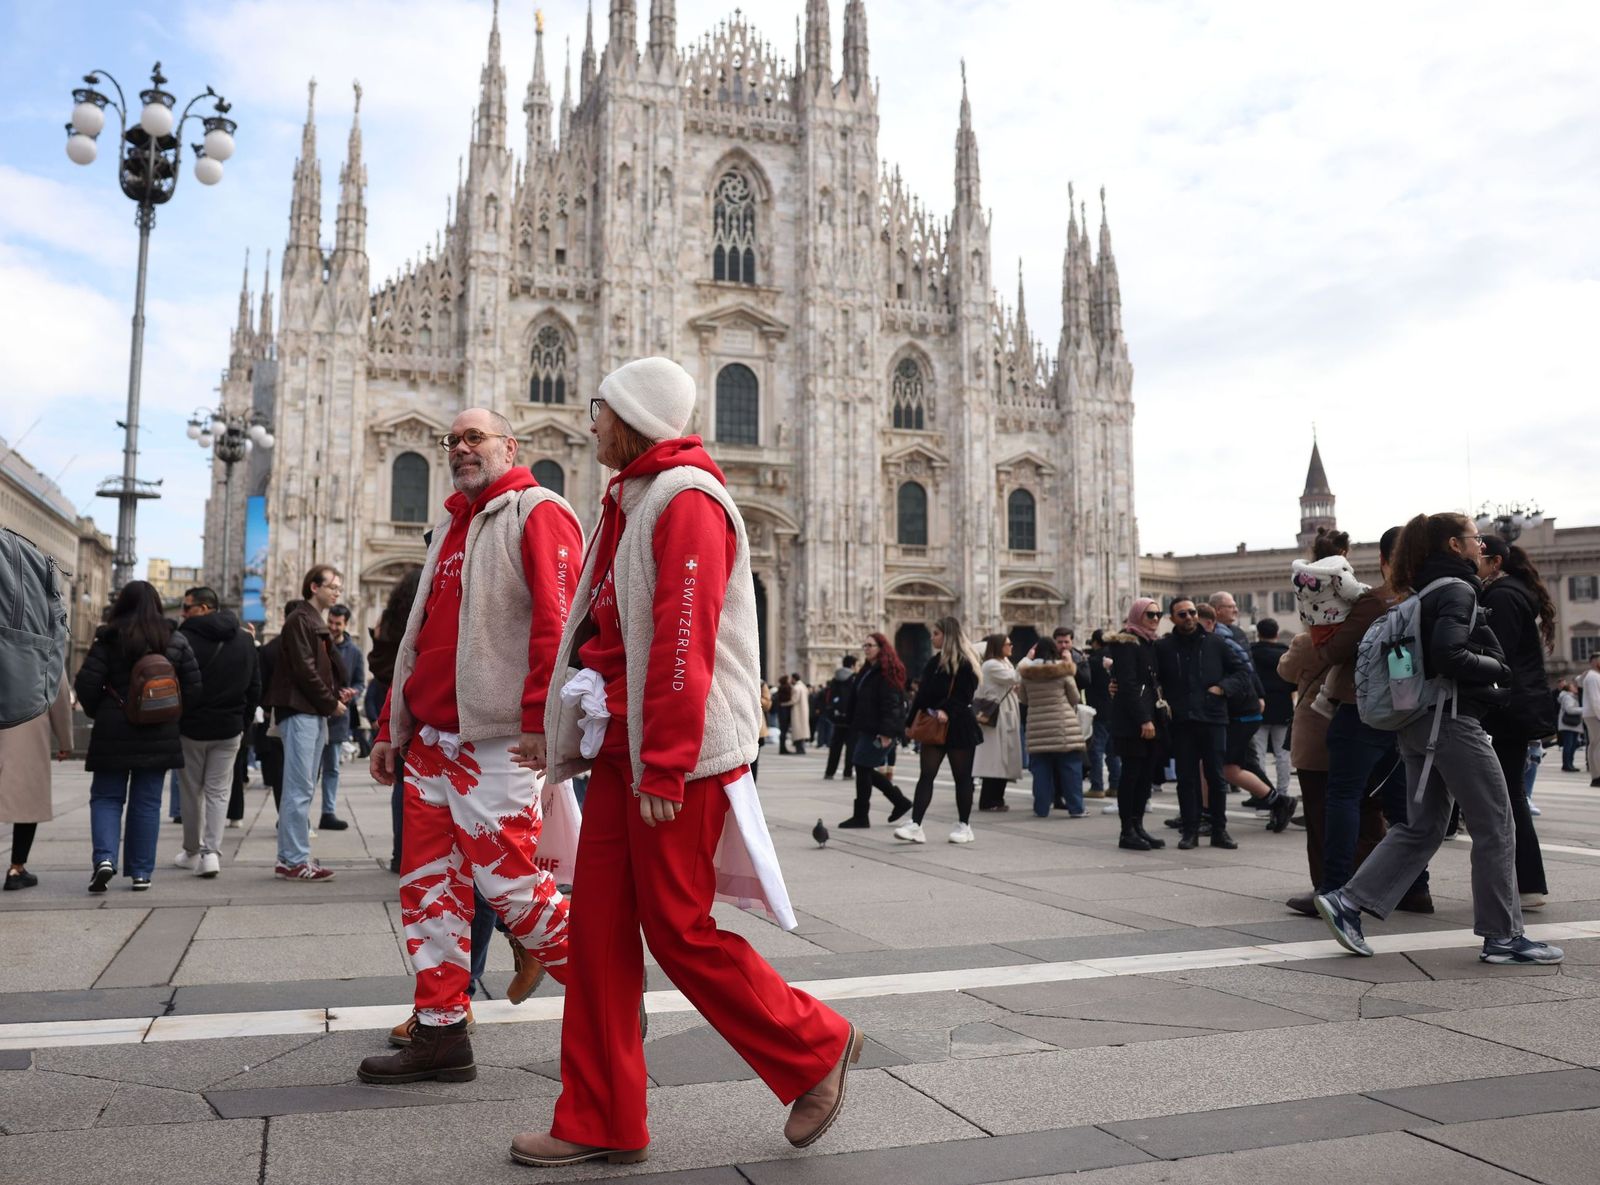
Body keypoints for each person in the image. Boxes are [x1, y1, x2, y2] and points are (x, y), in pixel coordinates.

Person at [514, 357, 859, 1167]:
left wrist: (665, 763)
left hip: (678, 759)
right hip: (619, 751)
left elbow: (681, 637)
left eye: (598, 408)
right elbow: (601, 631)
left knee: (678, 928)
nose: (588, 421)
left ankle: (816, 1045)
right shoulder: (630, 496)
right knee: (597, 933)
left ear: (630, 416)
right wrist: (558, 725)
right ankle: (598, 1116)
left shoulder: (687, 499)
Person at [358, 407, 582, 1086]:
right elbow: (418, 638)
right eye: (451, 440)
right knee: (429, 889)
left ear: (510, 446)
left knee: (511, 882)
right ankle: (441, 1030)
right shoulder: (453, 524)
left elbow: (560, 621)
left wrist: (545, 720)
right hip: (430, 739)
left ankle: (607, 990)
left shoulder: (538, 511)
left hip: (496, 738)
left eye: (473, 437)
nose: (460, 447)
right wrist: (392, 728)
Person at [1315, 512, 1563, 966]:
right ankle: (1503, 937)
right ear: (1454, 545)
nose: (1481, 545)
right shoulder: (1457, 589)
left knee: (1423, 825)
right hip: (1450, 721)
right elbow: (1449, 653)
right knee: (1496, 823)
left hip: (1417, 720)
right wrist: (1498, 669)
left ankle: (1348, 902)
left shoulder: (1421, 591)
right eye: (1473, 538)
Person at [1315, 526, 1431, 912]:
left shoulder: (1375, 601)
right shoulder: (1427, 599)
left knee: (1344, 796)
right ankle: (1415, 887)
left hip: (1363, 710)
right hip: (1411, 712)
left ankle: (1333, 889)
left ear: (1384, 561)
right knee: (1401, 803)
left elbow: (1333, 651)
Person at [75, 580, 202, 892]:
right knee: (147, 802)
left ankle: (105, 859)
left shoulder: (108, 638)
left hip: (112, 730)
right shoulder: (174, 639)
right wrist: (170, 716)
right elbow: (194, 689)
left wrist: (102, 712)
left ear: (122, 606)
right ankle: (141, 872)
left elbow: (87, 685)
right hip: (158, 731)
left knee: (106, 796)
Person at [1479, 535, 1556, 910]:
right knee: (1508, 793)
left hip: (1508, 708)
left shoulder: (1503, 596)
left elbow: (1497, 653)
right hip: (1515, 706)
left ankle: (1527, 884)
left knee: (1508, 794)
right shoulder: (1509, 592)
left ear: (1494, 562)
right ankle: (1525, 883)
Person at [262, 565, 350, 882]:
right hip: (301, 711)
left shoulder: (314, 621)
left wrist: (337, 692)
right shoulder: (300, 619)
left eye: (339, 587)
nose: (337, 592)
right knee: (298, 790)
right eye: (332, 586)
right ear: (313, 587)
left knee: (302, 789)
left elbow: (322, 669)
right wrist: (331, 702)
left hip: (313, 711)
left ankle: (290, 858)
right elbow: (303, 669)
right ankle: (295, 859)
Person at [1155, 597, 1256, 849]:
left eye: (1191, 612)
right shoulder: (1164, 647)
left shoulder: (1216, 643)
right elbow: (1151, 676)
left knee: (1216, 777)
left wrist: (1222, 688)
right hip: (1182, 721)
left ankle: (1219, 830)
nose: (1188, 617)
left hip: (1213, 718)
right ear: (1172, 619)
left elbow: (1243, 672)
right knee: (1186, 778)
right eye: (1182, 614)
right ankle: (1190, 831)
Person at [173, 586, 260, 879]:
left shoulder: (183, 638)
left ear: (205, 608)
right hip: (229, 728)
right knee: (218, 792)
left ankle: (191, 851)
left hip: (191, 728)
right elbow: (255, 687)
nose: (183, 613)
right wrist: (242, 722)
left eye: (187, 607)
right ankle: (211, 854)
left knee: (191, 791)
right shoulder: (246, 640)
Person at [1208, 591, 1296, 828]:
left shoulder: (1229, 635)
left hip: (1239, 708)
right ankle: (1276, 800)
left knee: (1230, 766)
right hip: (1253, 707)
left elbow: (1244, 669)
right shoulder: (1234, 634)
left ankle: (1276, 800)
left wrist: (1256, 694)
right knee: (1254, 759)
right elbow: (1249, 669)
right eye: (1231, 606)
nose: (1237, 610)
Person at [895, 616, 985, 845]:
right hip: (934, 725)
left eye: (935, 633)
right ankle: (916, 825)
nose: (931, 637)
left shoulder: (967, 663)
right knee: (926, 775)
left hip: (958, 725)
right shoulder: (934, 663)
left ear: (948, 635)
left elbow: (966, 694)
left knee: (962, 778)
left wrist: (947, 709)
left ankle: (964, 825)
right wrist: (908, 723)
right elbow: (922, 695)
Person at [368, 569, 422, 872]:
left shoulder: (386, 621)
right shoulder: (423, 614)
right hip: (408, 693)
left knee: (401, 778)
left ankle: (399, 855)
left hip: (386, 693)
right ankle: (413, 856)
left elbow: (375, 658)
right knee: (417, 777)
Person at [1, 676, 72, 890]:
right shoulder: (44, 644)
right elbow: (59, 694)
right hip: (27, 728)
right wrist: (65, 741)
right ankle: (16, 868)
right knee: (27, 800)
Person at [1105, 598, 1164, 850]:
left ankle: (1138, 826)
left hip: (1150, 716)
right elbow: (1128, 685)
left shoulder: (1148, 642)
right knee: (1131, 774)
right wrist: (1144, 719)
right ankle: (1126, 831)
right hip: (1133, 721)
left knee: (1144, 776)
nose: (1155, 619)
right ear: (1137, 614)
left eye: (1158, 614)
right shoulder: (1127, 642)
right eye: (1149, 614)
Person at [838, 634, 914, 827]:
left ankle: (863, 815)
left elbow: (892, 703)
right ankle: (898, 802)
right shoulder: (869, 670)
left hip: (880, 729)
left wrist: (887, 732)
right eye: (864, 645)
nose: (866, 649)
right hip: (868, 726)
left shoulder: (887, 672)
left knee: (862, 766)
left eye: (870, 645)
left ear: (882, 647)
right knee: (863, 767)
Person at [1017, 636, 1088, 817]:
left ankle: (1041, 809)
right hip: (1063, 726)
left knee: (1040, 771)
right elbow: (1075, 697)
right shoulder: (1062, 671)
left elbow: (1023, 699)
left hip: (1037, 726)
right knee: (1070, 768)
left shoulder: (1027, 674)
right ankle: (1076, 808)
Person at [318, 603, 366, 832]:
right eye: (331, 622)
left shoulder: (354, 652)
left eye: (338, 624)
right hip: (315, 713)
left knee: (332, 768)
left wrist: (352, 692)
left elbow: (359, 683)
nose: (334, 627)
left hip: (338, 717)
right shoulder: (318, 643)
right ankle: (299, 814)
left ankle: (328, 812)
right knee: (309, 769)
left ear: (346, 625)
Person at [974, 634, 1022, 811]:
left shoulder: (1004, 663)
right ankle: (988, 801)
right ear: (998, 646)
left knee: (1004, 759)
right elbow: (1015, 678)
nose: (1011, 646)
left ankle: (997, 799)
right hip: (996, 715)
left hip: (1005, 712)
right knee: (995, 760)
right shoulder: (991, 665)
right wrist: (1029, 659)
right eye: (1008, 644)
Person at [1251, 618, 1294, 795]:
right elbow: (1294, 680)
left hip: (1258, 704)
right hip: (1282, 705)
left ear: (1258, 633)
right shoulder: (1285, 654)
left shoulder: (1251, 652)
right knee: (1282, 754)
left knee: (1258, 753)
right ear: (1277, 633)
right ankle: (1283, 792)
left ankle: (1263, 793)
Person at [1084, 629, 1120, 800]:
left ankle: (1097, 786)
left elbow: (1084, 681)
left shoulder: (1094, 660)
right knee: (1113, 751)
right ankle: (1115, 785)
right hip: (1115, 709)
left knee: (1096, 750)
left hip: (1098, 710)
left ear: (1096, 643)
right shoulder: (1117, 658)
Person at [821, 655, 858, 781]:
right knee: (850, 748)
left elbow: (829, 697)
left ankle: (829, 772)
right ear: (853, 665)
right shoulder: (854, 679)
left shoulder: (835, 678)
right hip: (851, 718)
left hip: (837, 718)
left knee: (835, 747)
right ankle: (848, 773)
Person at [1556, 678, 1583, 772]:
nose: (1575, 688)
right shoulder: (1568, 697)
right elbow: (1569, 709)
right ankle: (1567, 765)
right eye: (1573, 686)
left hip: (1572, 725)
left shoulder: (1572, 696)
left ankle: (1570, 764)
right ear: (1569, 689)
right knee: (1569, 745)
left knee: (1572, 745)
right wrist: (1583, 709)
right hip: (1568, 725)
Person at [1581, 654, 1600, 786]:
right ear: (1594, 661)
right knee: (1597, 745)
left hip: (1591, 713)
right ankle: (1597, 775)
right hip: (1595, 714)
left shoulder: (1591, 676)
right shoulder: (1593, 676)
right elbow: (1596, 699)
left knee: (1594, 745)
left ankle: (1596, 775)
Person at [789, 672, 810, 756]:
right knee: (802, 730)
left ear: (794, 678)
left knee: (798, 731)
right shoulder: (804, 687)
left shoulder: (796, 688)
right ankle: (801, 748)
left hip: (797, 711)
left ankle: (799, 749)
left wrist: (784, 703)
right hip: (804, 711)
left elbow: (794, 700)